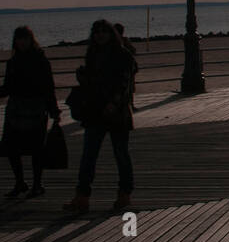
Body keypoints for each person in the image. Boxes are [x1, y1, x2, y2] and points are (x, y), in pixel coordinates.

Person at [63, 20, 136, 214]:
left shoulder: (122, 55)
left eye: (104, 31)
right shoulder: (93, 54)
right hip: (96, 111)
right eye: (97, 32)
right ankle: (82, 196)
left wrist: (114, 102)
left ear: (111, 34)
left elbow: (124, 82)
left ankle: (124, 193)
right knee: (89, 155)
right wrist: (84, 78)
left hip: (115, 112)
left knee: (120, 154)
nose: (100, 35)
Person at [0, 26, 61, 199]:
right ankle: (20, 182)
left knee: (36, 148)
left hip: (36, 107)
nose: (21, 42)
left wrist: (53, 109)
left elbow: (48, 87)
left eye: (24, 38)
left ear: (30, 40)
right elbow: (7, 87)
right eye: (19, 39)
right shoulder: (12, 62)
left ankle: (36, 183)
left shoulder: (40, 61)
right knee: (11, 148)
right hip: (16, 108)